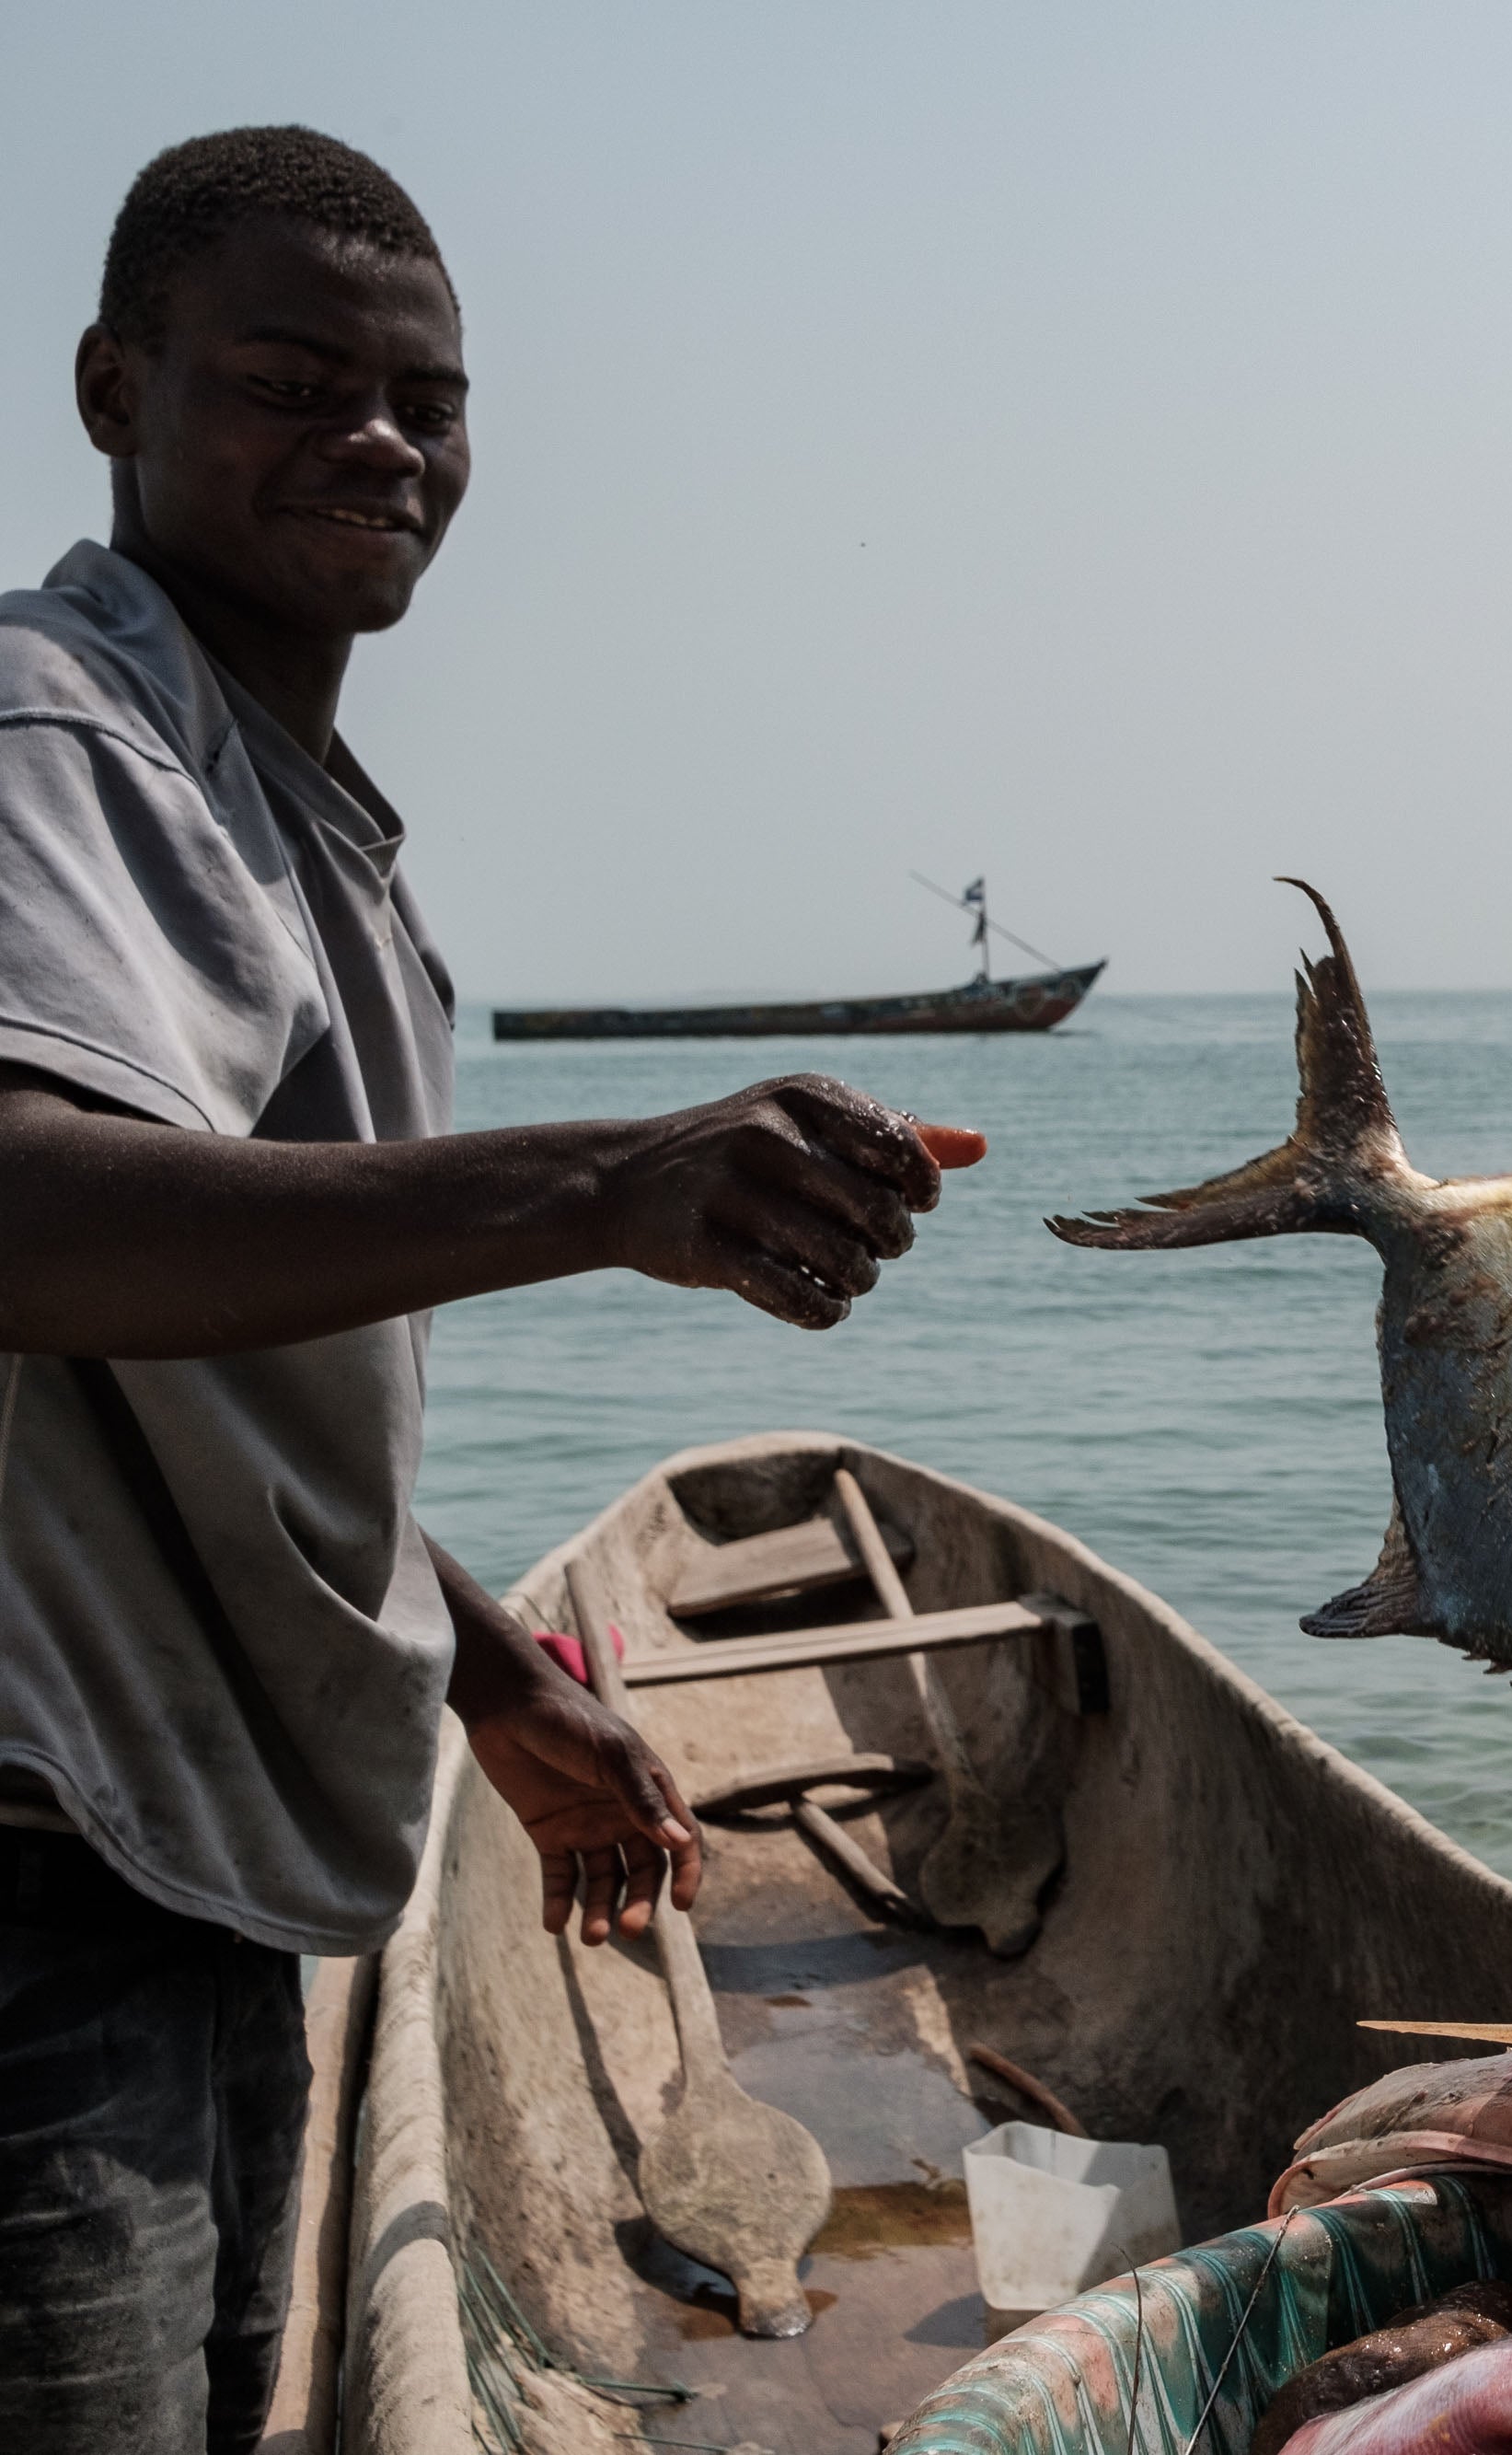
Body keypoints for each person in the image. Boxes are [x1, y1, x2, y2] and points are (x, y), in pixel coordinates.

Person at [0, 128, 980, 2453]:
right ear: (112, 389)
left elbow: (191, 1382)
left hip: (187, 1855)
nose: (378, 439)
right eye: (289, 377)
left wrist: (493, 1667)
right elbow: (26, 1221)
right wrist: (609, 1181)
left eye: (426, 402)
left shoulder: (291, 806)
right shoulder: (60, 732)